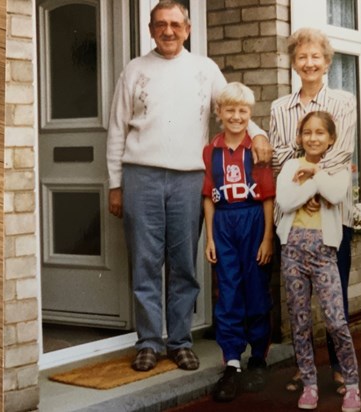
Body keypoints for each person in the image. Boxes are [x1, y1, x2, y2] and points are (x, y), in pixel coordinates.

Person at [106, 0, 272, 372]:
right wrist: (115, 184)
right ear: (151, 30)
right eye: (161, 24)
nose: (168, 31)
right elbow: (117, 129)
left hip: (189, 178)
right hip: (141, 175)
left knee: (183, 263)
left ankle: (179, 341)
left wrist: (257, 135)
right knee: (146, 261)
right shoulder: (134, 70)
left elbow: (233, 108)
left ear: (188, 28)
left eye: (176, 24)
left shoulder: (204, 68)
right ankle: (149, 341)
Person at [269, 27, 357, 394]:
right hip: (295, 217)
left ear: (327, 62)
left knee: (337, 298)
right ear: (293, 63)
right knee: (299, 302)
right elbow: (279, 157)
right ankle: (305, 371)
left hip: (333, 213)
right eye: (301, 57)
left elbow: (341, 152)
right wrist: (306, 181)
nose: (309, 63)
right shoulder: (279, 107)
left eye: (315, 57)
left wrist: (310, 173)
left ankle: (339, 368)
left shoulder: (344, 101)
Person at [276, 110, 361, 412]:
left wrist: (313, 176)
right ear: (300, 137)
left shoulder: (337, 169)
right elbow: (284, 201)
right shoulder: (289, 165)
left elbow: (336, 194)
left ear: (331, 138)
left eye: (320, 133)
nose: (313, 138)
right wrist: (313, 187)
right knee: (300, 323)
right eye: (307, 132)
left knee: (337, 321)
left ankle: (352, 385)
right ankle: (309, 383)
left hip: (324, 252)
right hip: (293, 250)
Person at [202, 82, 275, 402]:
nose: (235, 116)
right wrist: (210, 237)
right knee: (228, 291)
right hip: (224, 223)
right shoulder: (211, 150)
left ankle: (258, 356)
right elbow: (207, 196)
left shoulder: (256, 149)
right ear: (219, 113)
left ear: (250, 114)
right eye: (229, 110)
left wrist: (267, 238)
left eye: (242, 111)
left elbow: (268, 198)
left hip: (253, 221)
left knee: (256, 289)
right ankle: (232, 361)